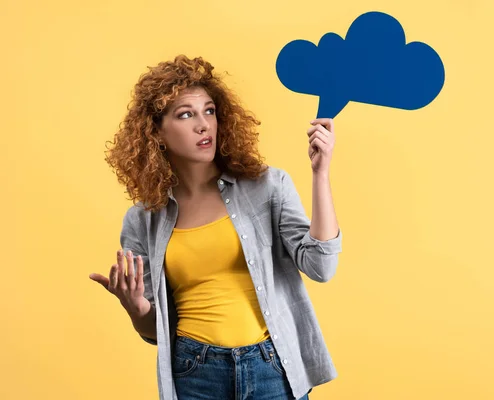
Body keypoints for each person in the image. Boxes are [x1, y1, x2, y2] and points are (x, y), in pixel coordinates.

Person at [89, 54, 343, 400]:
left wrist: (320, 173)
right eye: (186, 114)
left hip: (272, 366)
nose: (203, 124)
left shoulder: (267, 187)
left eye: (209, 111)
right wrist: (136, 308)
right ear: (157, 133)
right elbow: (154, 332)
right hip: (195, 371)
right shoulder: (142, 220)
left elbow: (321, 266)